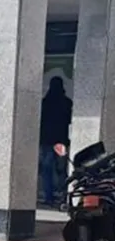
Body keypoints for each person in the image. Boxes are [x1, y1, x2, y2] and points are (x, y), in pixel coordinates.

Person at [39, 76, 73, 207]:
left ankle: (49, 196)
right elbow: (69, 120)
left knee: (47, 169)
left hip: (47, 140)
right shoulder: (67, 102)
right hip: (61, 140)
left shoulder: (45, 102)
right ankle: (64, 196)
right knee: (62, 169)